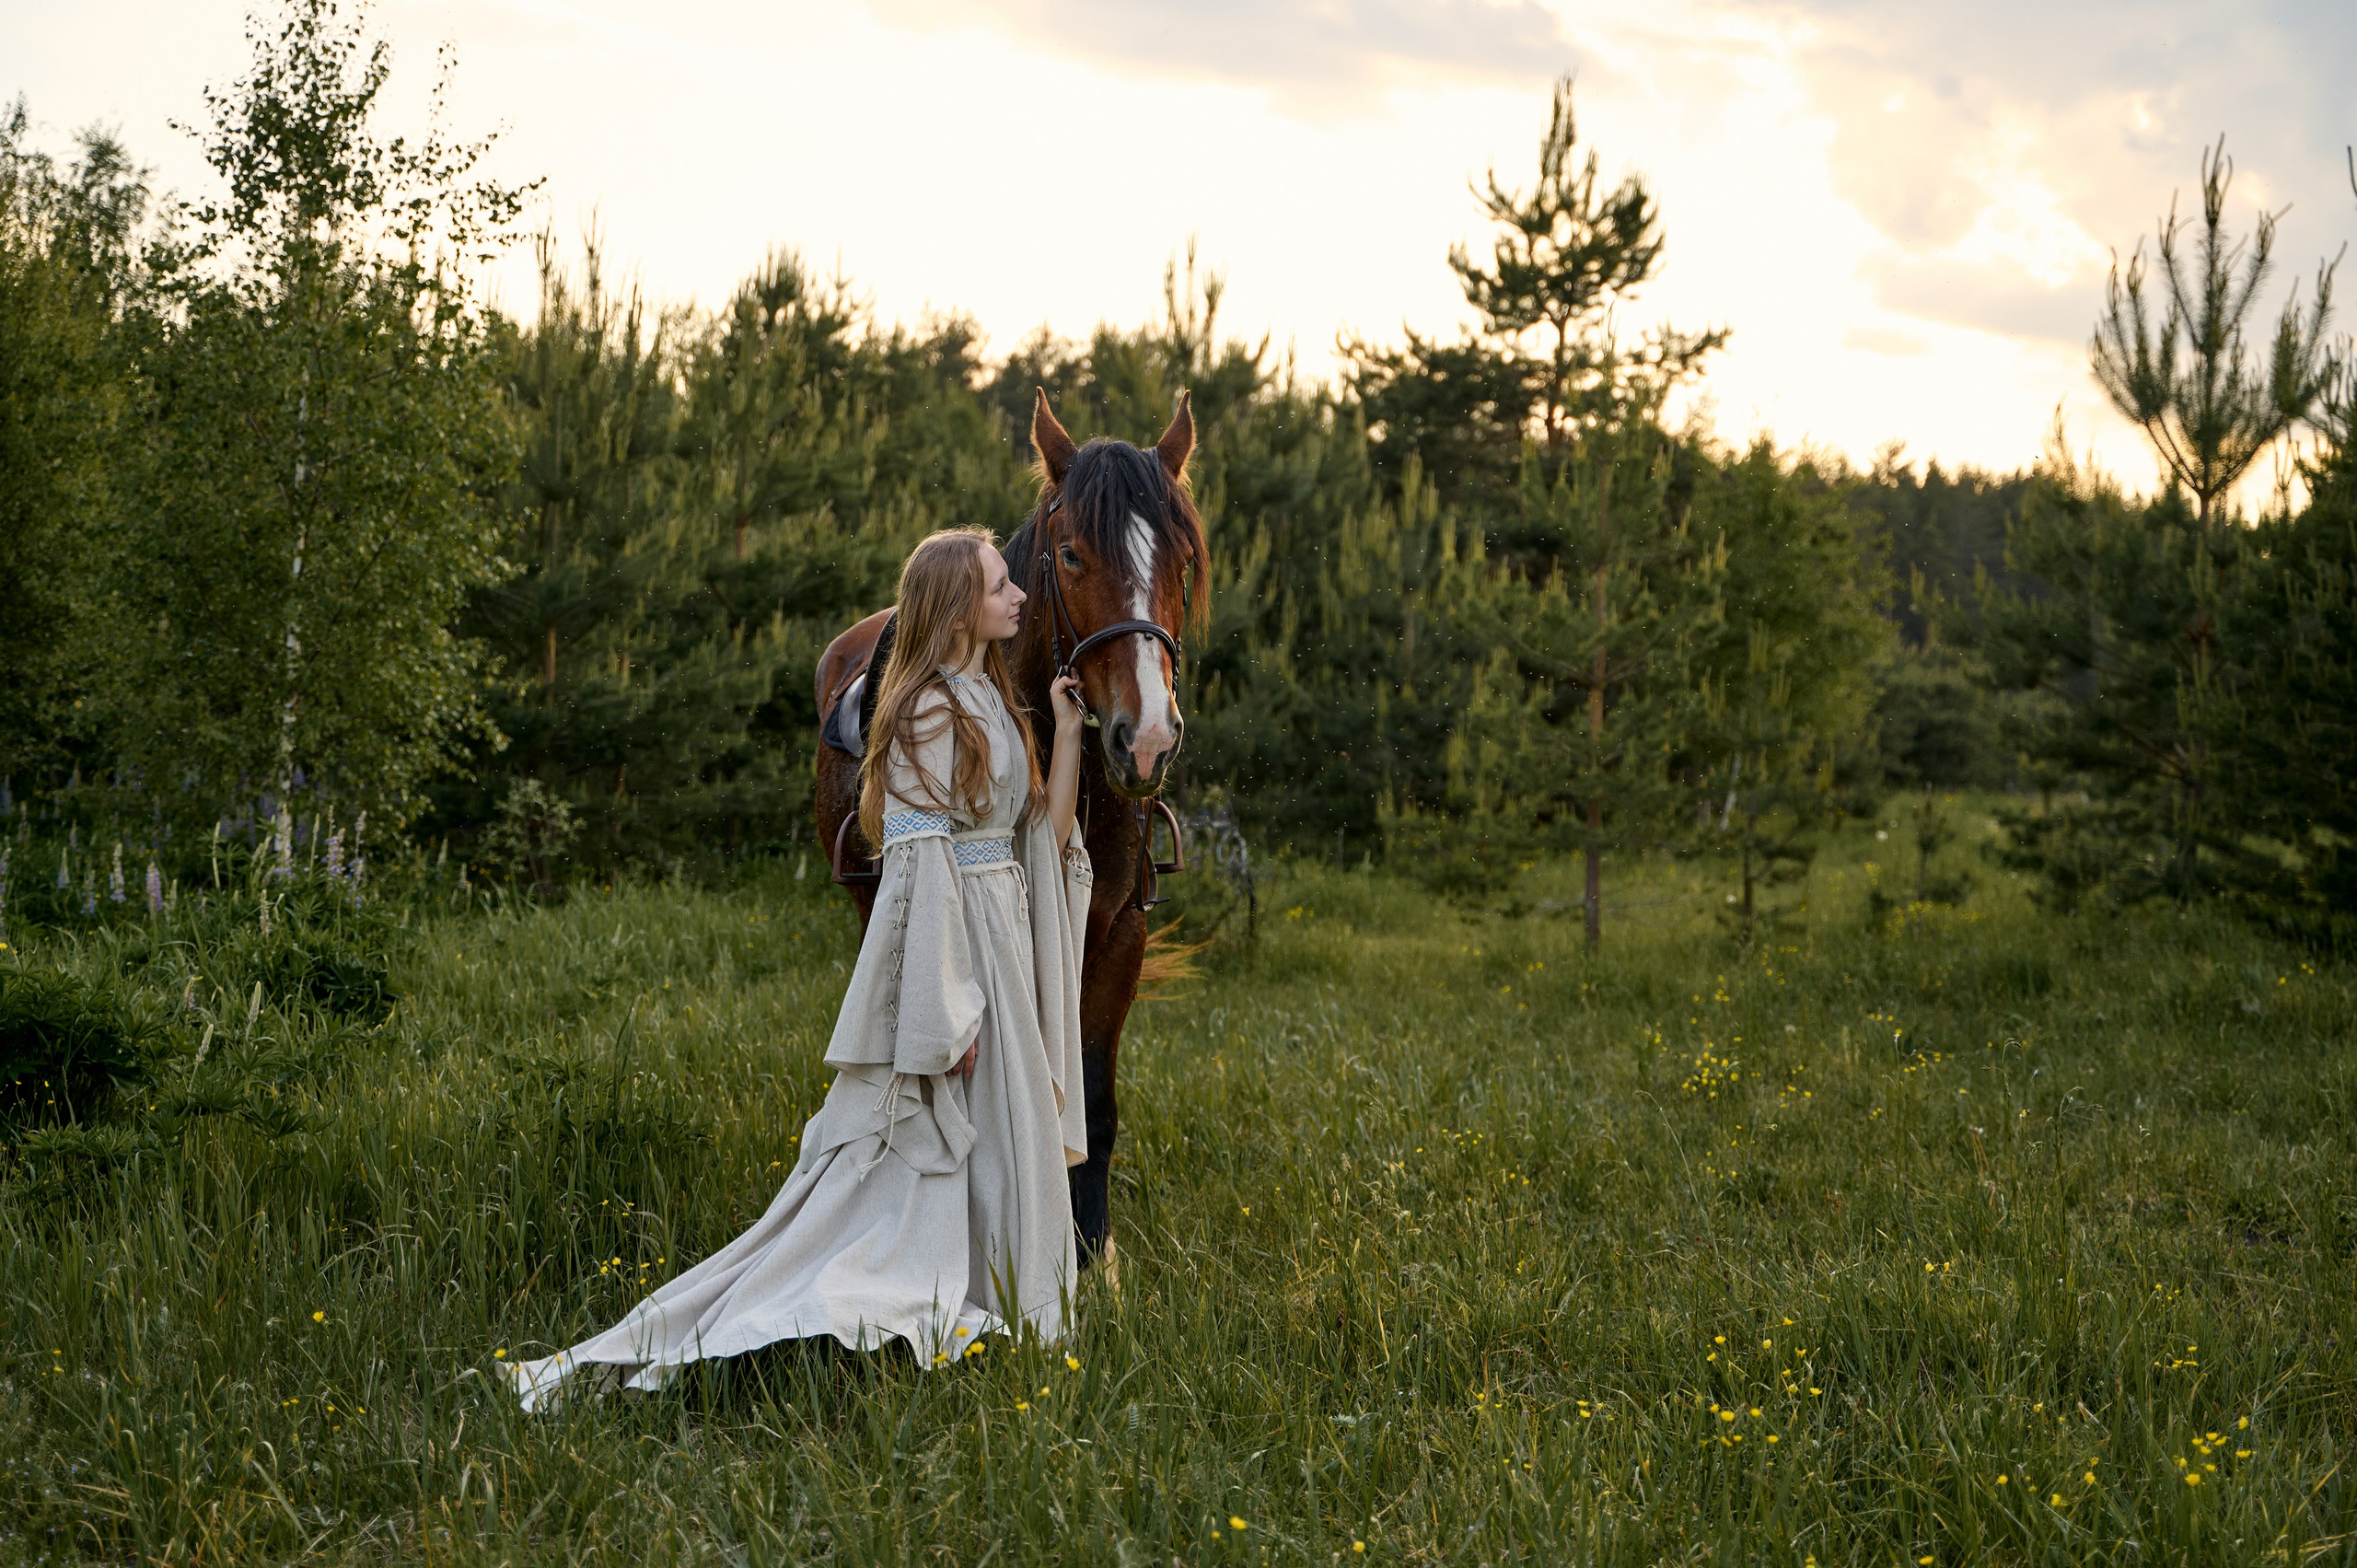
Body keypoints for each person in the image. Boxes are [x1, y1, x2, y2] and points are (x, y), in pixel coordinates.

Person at [505, 528, 1092, 1411]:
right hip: (960, 956)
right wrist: (939, 1013)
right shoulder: (927, 714)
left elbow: (1036, 848)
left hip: (1001, 942)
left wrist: (1071, 729)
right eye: (1002, 585)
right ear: (959, 607)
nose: (1019, 596)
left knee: (1010, 1142)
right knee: (935, 1144)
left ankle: (1002, 1298)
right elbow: (918, 876)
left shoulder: (992, 697)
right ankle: (863, 1305)